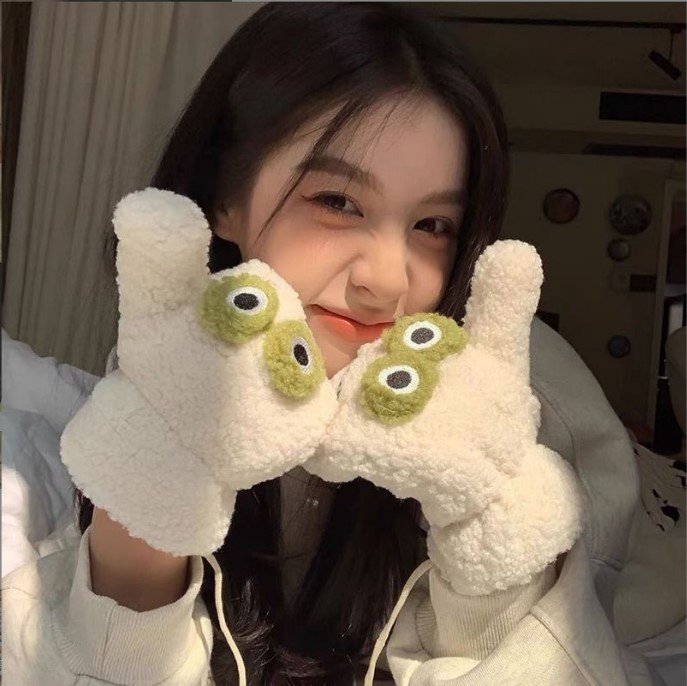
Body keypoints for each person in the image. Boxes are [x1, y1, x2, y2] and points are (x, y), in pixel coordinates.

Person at [1, 3, 662, 685]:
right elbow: (111, 657)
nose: (387, 280)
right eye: (338, 202)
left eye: (432, 225)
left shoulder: (514, 398)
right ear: (225, 198)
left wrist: (486, 530)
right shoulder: (178, 365)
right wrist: (144, 515)